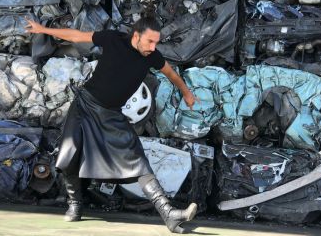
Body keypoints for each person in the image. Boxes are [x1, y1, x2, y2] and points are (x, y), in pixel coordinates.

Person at [24, 16, 199, 234]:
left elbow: (171, 73)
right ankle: (75, 204)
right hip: (85, 105)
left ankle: (169, 215)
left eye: (156, 43)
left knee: (136, 158)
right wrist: (43, 29)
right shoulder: (113, 39)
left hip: (112, 114)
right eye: (150, 42)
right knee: (70, 156)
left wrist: (187, 93)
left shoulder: (152, 56)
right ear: (136, 36)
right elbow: (77, 36)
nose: (153, 47)